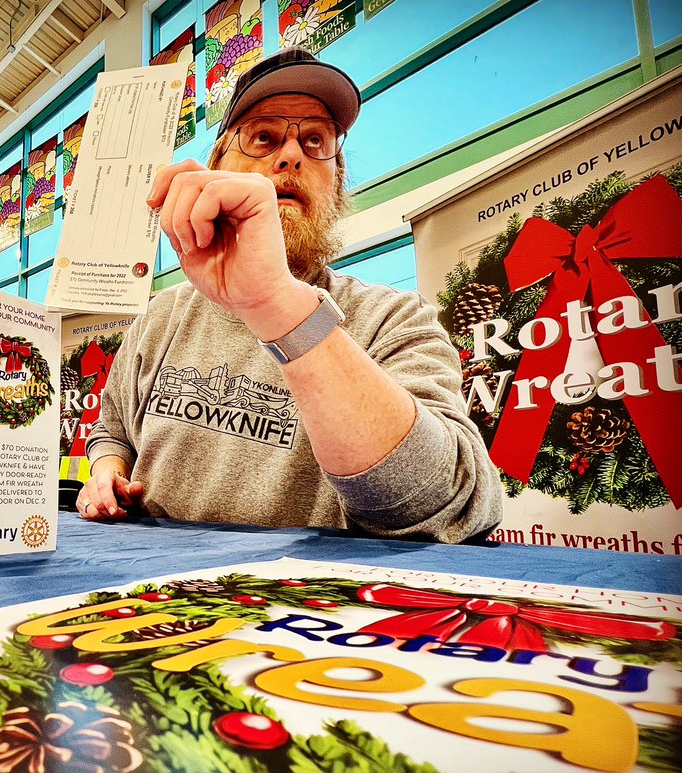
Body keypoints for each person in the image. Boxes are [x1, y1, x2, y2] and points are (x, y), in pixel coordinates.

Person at [78, 48, 503, 543]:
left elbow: (451, 504)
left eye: (316, 140)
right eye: (263, 137)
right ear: (216, 165)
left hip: (306, 614)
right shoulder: (164, 314)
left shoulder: (395, 320)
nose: (291, 155)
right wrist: (107, 468)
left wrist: (276, 302)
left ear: (336, 183)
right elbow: (113, 428)